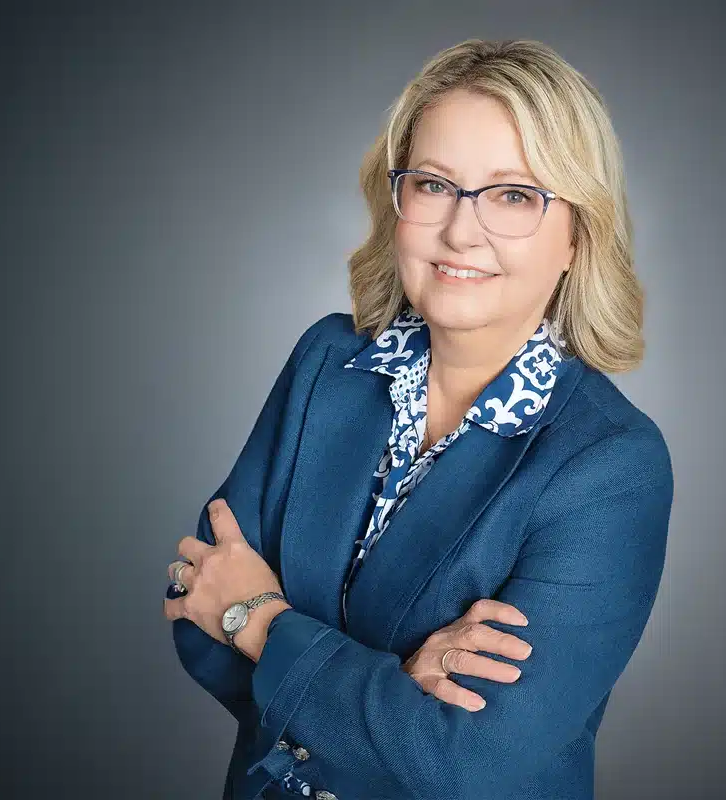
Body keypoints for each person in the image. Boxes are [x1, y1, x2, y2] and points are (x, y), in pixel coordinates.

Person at [162, 38, 675, 800]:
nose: (462, 232)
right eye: (435, 185)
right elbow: (197, 605)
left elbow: (463, 762)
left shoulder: (610, 465)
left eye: (512, 195)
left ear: (577, 233)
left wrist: (264, 623)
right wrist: (389, 692)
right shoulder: (326, 365)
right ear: (396, 200)